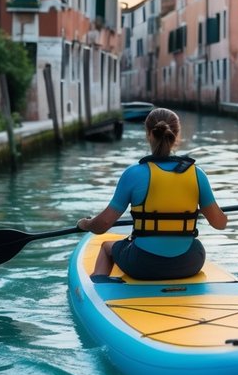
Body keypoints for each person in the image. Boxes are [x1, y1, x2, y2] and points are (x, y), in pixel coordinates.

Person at [77, 108, 227, 280]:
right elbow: (220, 224)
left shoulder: (133, 174)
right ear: (177, 136)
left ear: (148, 134)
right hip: (189, 262)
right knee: (196, 245)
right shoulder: (197, 174)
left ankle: (99, 286)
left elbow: (102, 225)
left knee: (106, 247)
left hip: (143, 265)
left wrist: (85, 224)